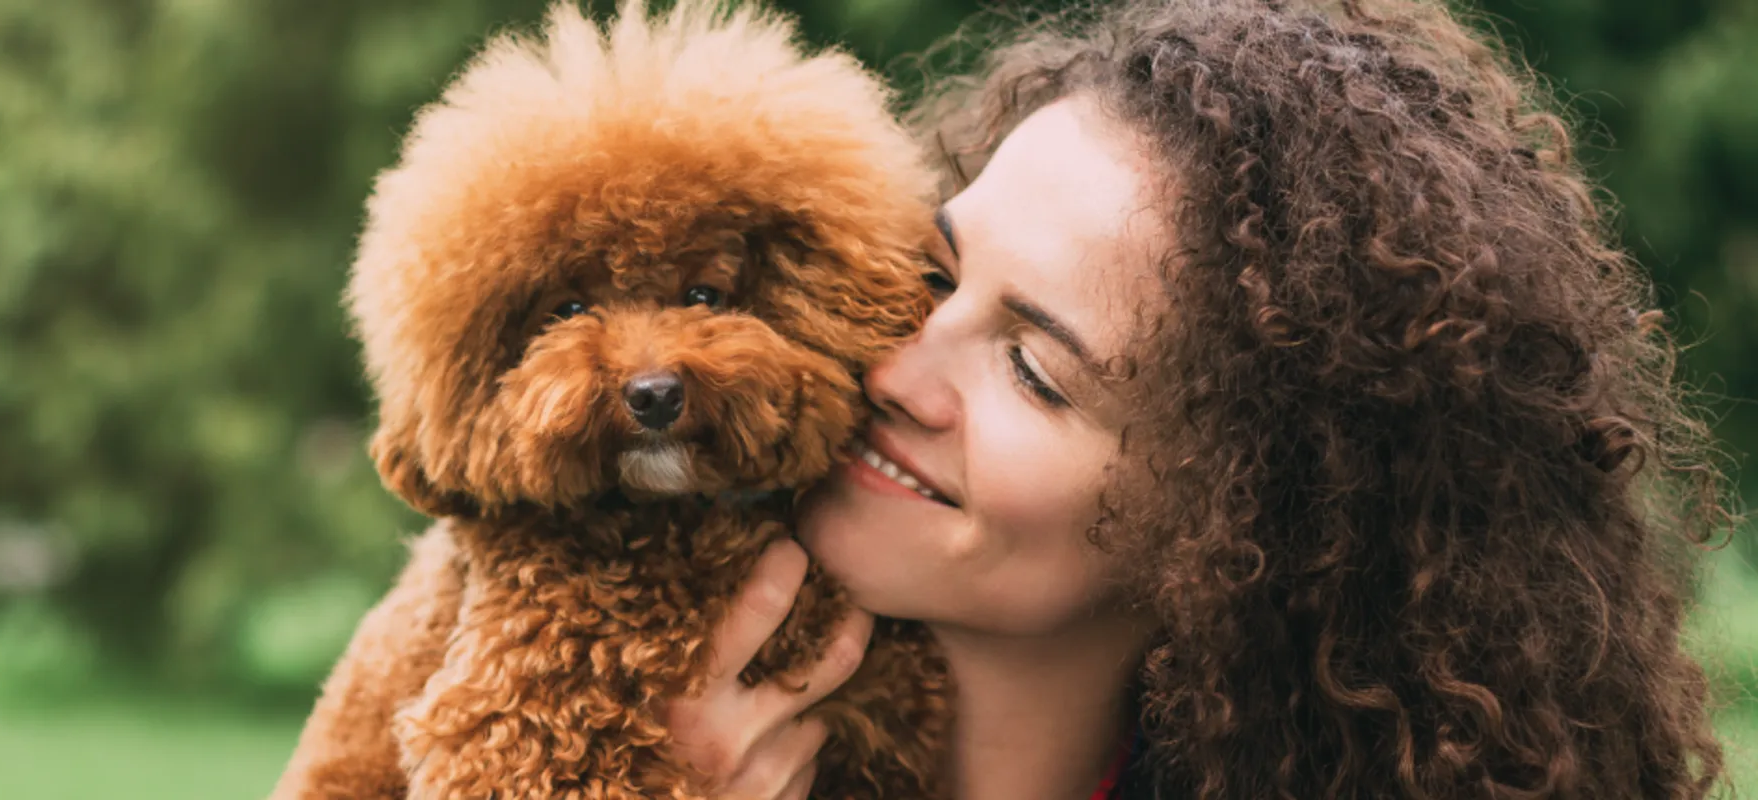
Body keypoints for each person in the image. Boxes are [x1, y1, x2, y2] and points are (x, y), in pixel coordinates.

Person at [663, 0, 1729, 798]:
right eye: (933, 276)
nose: (896, 369)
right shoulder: (576, 672)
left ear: (1238, 520)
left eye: (1035, 372)